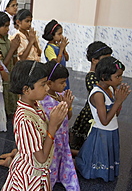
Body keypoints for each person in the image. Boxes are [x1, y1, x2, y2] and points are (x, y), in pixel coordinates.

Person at [1, 60, 68, 191]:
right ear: (26, 90)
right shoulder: (25, 119)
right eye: (43, 85)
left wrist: (57, 118)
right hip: (29, 177)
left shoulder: (36, 104)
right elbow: (42, 158)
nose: (47, 88)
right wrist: (53, 127)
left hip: (37, 172)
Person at [75, 57, 131, 182]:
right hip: (101, 132)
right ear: (105, 77)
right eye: (118, 77)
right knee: (97, 155)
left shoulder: (110, 89)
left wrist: (119, 102)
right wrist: (119, 101)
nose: (120, 80)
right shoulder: (98, 94)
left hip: (111, 131)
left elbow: (115, 114)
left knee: (105, 154)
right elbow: (104, 121)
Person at [39, 61, 80, 190]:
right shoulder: (43, 100)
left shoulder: (61, 96)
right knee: (52, 159)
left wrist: (67, 106)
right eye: (62, 82)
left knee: (62, 156)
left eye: (65, 81)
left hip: (63, 137)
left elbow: (68, 117)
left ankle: (62, 175)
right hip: (51, 139)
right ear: (49, 83)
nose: (65, 85)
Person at [70, 41, 113, 152]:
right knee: (85, 140)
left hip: (97, 110)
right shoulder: (91, 77)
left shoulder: (102, 76)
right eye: (105, 59)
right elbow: (98, 92)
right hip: (91, 114)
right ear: (94, 60)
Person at [0, 12, 20, 116]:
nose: (7, 28)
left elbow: (13, 61)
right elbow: (2, 66)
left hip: (10, 78)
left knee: (13, 106)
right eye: (5, 26)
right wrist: (12, 49)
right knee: (4, 110)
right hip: (1, 82)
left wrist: (14, 51)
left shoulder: (7, 40)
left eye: (8, 25)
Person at [42, 19, 70, 90]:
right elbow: (56, 62)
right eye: (59, 34)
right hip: (56, 77)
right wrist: (61, 49)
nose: (61, 36)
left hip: (62, 75)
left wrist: (64, 49)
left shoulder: (58, 45)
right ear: (52, 35)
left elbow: (66, 58)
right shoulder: (49, 48)